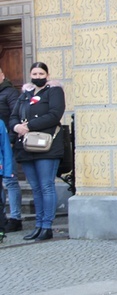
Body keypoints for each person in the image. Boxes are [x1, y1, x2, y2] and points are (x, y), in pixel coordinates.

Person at [9, 62, 66, 240]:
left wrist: (29, 126)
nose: (38, 76)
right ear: (30, 74)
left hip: (46, 146)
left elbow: (55, 114)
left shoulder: (54, 91)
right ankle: (39, 224)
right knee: (35, 188)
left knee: (46, 186)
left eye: (41, 73)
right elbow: (13, 116)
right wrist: (17, 126)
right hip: (26, 147)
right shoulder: (25, 94)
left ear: (47, 75)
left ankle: (47, 226)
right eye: (35, 73)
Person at [0, 67, 21, 233]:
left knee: (10, 181)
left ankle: (15, 218)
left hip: (7, 143)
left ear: (2, 75)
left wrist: (12, 141)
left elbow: (16, 116)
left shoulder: (11, 93)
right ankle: (2, 217)